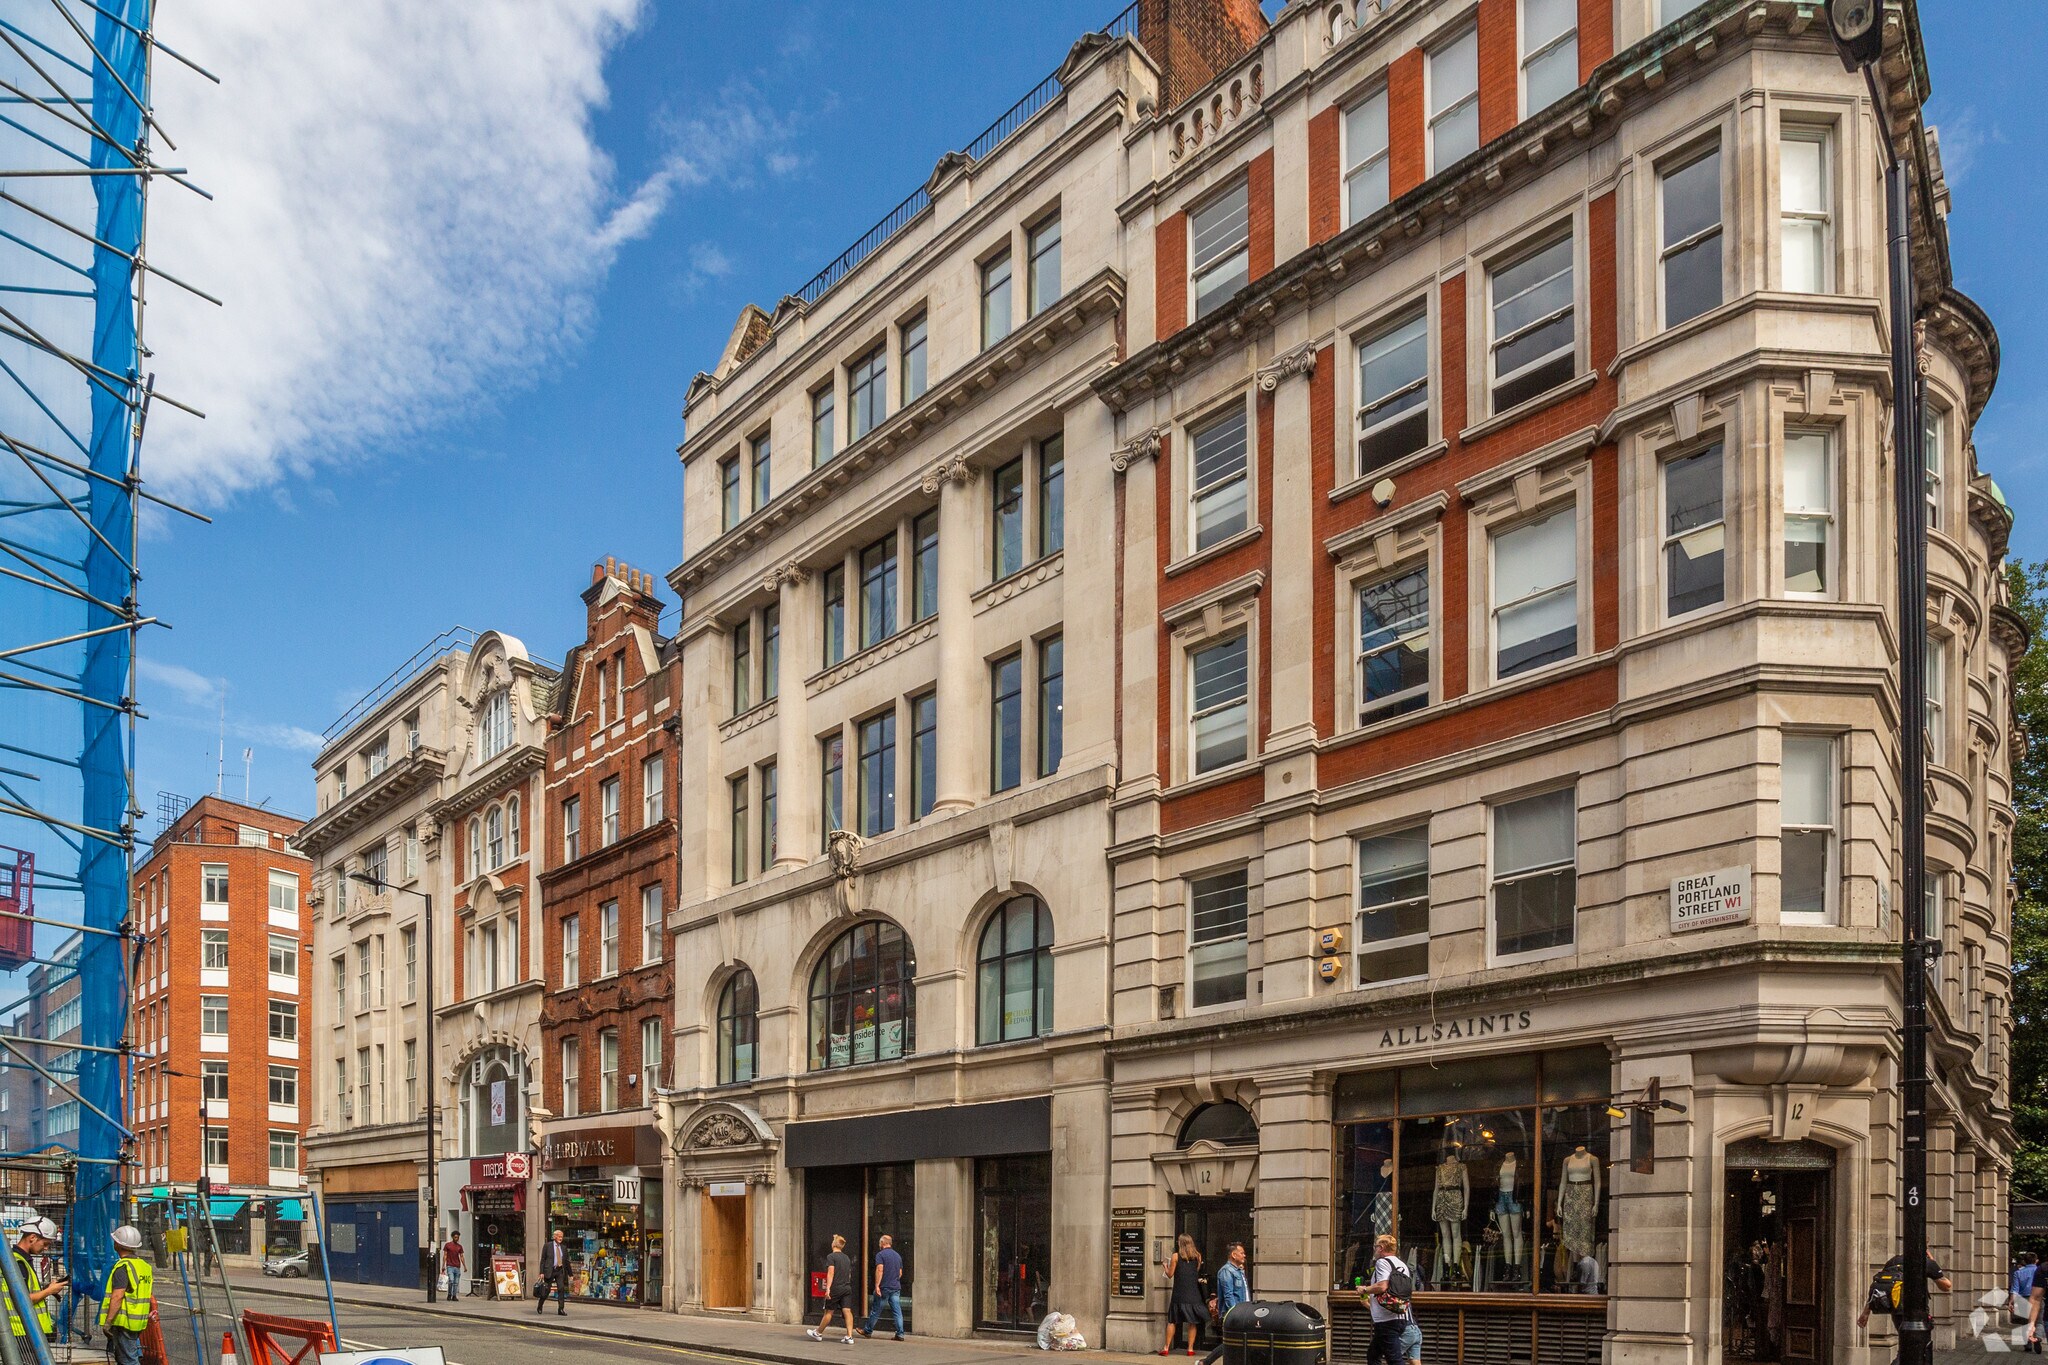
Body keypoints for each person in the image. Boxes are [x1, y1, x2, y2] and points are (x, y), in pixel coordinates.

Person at [1862, 1251, 1951, 1348]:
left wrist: (1866, 1313)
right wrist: (1934, 1266)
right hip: (1918, 1312)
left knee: (1905, 1344)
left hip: (1898, 1311)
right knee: (1918, 1347)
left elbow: (1879, 1288)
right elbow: (1946, 1286)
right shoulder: (1926, 1262)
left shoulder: (1894, 1261)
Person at [3, 1218, 63, 1344]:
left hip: (24, 1330)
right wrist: (48, 1291)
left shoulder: (18, 1260)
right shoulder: (18, 1263)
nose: (46, 1248)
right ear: (32, 1237)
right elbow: (23, 1299)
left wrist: (48, 1289)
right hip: (22, 1332)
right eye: (45, 1243)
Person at [98, 1225, 152, 1365]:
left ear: (118, 1244)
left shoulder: (123, 1267)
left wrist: (108, 1322)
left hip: (124, 1322)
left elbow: (117, 1297)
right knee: (127, 1357)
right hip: (138, 1321)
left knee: (129, 1361)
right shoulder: (144, 1266)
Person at [1361, 1234, 1412, 1365]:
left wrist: (1364, 1289)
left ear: (1381, 1248)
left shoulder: (1382, 1262)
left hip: (1386, 1320)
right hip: (1400, 1315)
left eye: (1376, 1246)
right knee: (1373, 1355)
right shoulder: (1402, 1265)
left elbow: (1382, 1286)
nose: (1375, 1249)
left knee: (1394, 1360)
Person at [1195, 1242, 1249, 1365]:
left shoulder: (1238, 1271)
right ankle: (1206, 1362)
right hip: (1234, 1313)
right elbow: (1228, 1295)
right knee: (1231, 1341)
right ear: (1234, 1255)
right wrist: (1235, 1312)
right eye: (1242, 1253)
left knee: (1237, 1341)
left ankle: (1206, 1362)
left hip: (1243, 1311)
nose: (1244, 1255)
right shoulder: (1226, 1271)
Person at [1158, 1233, 1205, 1356]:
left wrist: (1165, 1266)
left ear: (1181, 1243)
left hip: (1179, 1292)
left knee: (1172, 1320)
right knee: (1192, 1322)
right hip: (1193, 1293)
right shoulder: (1198, 1256)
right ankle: (1190, 1349)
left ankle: (1166, 1348)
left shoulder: (1176, 1256)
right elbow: (1195, 1272)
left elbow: (1170, 1274)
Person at [806, 1234, 857, 1343]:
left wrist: (828, 1288)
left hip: (836, 1288)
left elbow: (830, 1273)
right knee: (847, 1311)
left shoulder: (831, 1257)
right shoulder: (846, 1258)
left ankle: (818, 1333)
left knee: (828, 1312)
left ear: (833, 1244)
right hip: (846, 1287)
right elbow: (849, 1274)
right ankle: (849, 1336)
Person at [858, 1234, 906, 1340]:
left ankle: (868, 1330)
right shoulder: (897, 1256)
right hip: (895, 1287)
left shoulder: (880, 1255)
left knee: (876, 1310)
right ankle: (900, 1334)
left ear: (882, 1243)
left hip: (884, 1287)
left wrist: (877, 1285)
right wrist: (894, 1280)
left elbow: (880, 1270)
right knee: (897, 1312)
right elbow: (900, 1273)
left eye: (880, 1243)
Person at [536, 1229, 569, 1316]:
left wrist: (570, 1274)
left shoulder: (563, 1248)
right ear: (554, 1237)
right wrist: (541, 1272)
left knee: (561, 1289)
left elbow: (566, 1261)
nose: (560, 1238)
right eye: (559, 1236)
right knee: (546, 1290)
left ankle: (561, 1309)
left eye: (562, 1237)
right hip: (550, 1270)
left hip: (559, 1271)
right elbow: (543, 1260)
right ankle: (540, 1305)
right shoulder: (547, 1246)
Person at [441, 1230, 465, 1301]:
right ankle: (449, 1294)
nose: (456, 1239)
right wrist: (443, 1265)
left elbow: (461, 1256)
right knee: (451, 1280)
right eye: (455, 1237)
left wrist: (464, 1266)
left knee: (456, 1282)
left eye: (457, 1237)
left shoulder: (459, 1247)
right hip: (450, 1265)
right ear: (452, 1237)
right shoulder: (448, 1245)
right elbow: (445, 1255)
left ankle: (454, 1295)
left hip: (457, 1266)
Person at [2015, 1253, 2039, 1323]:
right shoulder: (2040, 1271)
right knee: (2039, 1322)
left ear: (2024, 1261)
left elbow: (2015, 1289)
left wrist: (2011, 1301)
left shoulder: (2018, 1272)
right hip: (2038, 1298)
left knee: (2025, 1323)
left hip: (2023, 1299)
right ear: (2036, 1260)